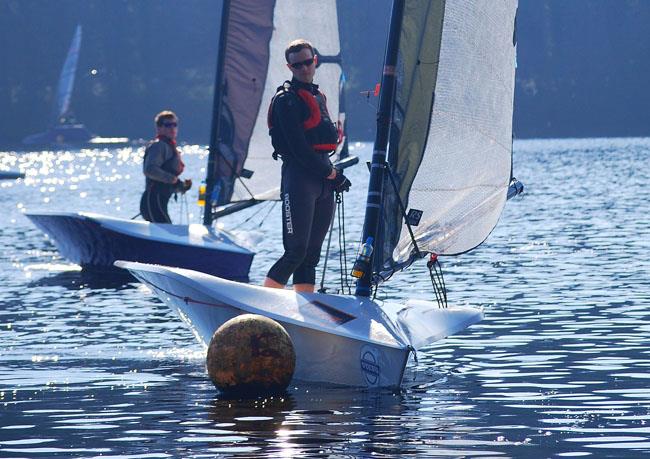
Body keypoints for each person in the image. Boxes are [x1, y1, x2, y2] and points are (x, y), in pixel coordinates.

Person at [263, 39, 351, 293]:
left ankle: (305, 308)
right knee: (296, 251)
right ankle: (263, 309)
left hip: (323, 178)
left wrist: (331, 174)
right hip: (300, 178)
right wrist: (332, 174)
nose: (303, 68)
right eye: (297, 64)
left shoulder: (317, 95)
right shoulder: (286, 100)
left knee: (312, 254)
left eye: (307, 62)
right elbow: (299, 149)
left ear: (315, 61)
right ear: (289, 67)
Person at [140, 110, 192, 223]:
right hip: (153, 202)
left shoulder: (169, 146)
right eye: (168, 125)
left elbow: (167, 181)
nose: (172, 128)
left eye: (175, 125)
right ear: (159, 128)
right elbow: (150, 170)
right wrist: (173, 179)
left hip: (159, 201)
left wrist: (181, 186)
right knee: (166, 230)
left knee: (166, 230)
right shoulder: (159, 146)